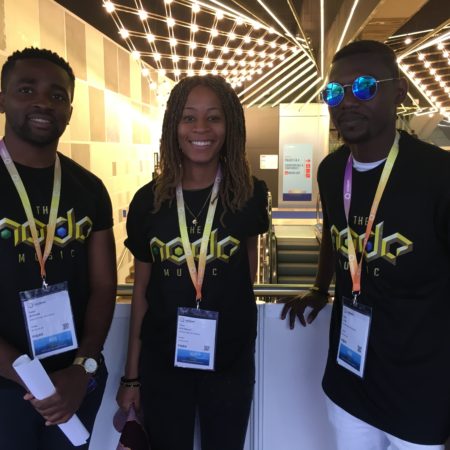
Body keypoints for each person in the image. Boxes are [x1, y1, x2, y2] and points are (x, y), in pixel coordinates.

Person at [282, 40, 449, 450]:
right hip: (350, 383)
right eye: (334, 92)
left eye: (365, 87)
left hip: (420, 392)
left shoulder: (437, 175)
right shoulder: (331, 170)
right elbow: (334, 233)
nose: (347, 101)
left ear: (399, 91)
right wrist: (319, 287)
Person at [117, 74, 269, 450]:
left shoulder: (249, 196)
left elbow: (247, 276)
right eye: (189, 117)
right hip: (163, 363)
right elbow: (142, 291)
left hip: (230, 361)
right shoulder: (148, 202)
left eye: (214, 117)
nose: (201, 128)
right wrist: (131, 376)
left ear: (230, 126)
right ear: (174, 125)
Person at [0, 47, 117, 449]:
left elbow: (104, 286)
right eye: (26, 89)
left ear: (69, 110)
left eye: (57, 95)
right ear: (2, 99)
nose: (43, 102)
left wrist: (82, 368)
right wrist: (34, 382)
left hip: (75, 383)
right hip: (5, 386)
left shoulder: (89, 188)